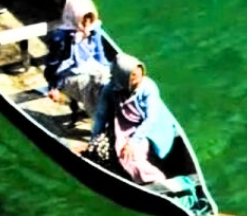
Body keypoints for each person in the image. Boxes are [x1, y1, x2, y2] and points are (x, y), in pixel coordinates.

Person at [74, 53, 179, 185]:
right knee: (99, 148)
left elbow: (150, 119)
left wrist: (133, 142)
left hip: (151, 131)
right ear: (123, 78)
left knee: (128, 156)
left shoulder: (148, 88)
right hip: (123, 129)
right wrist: (94, 138)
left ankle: (157, 180)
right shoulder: (111, 90)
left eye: (140, 75)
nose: (139, 80)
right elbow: (101, 116)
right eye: (134, 77)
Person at [42, 0, 111, 116]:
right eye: (83, 20)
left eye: (90, 19)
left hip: (89, 66)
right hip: (68, 73)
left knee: (108, 80)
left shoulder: (94, 30)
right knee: (87, 88)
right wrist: (53, 87)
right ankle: (98, 119)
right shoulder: (61, 37)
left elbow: (100, 54)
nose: (86, 24)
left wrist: (108, 70)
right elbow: (53, 64)